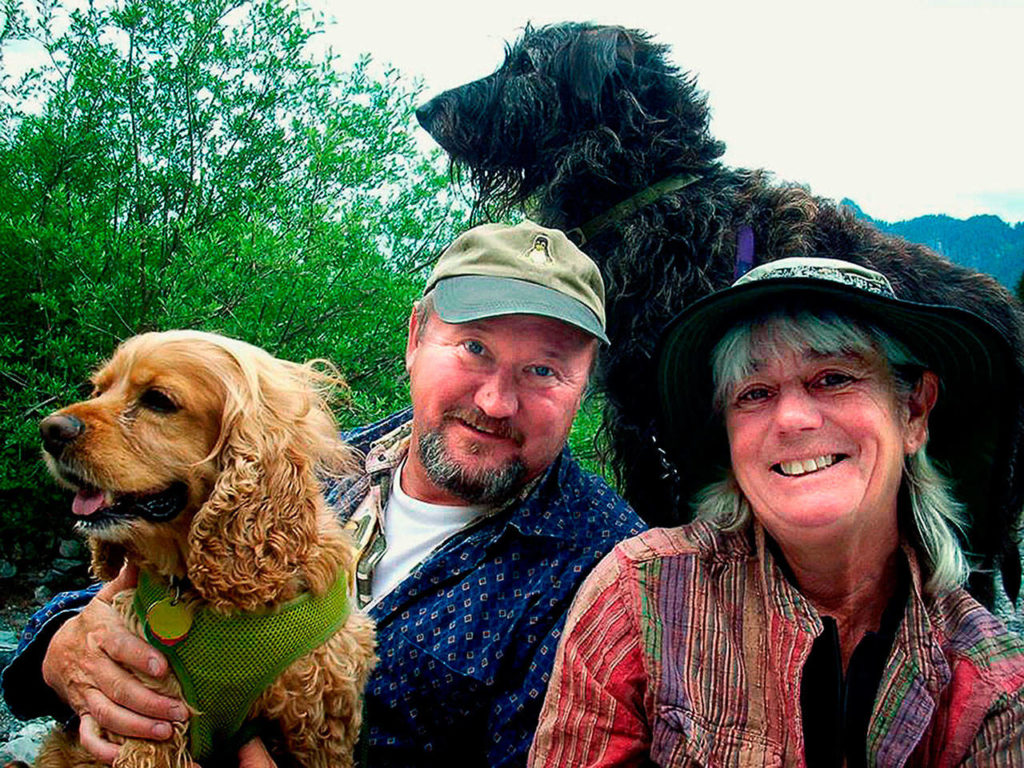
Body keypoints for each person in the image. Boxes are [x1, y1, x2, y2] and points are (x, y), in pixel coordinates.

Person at [2, 221, 645, 767]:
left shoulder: (609, 572)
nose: (495, 401)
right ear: (415, 337)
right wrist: (58, 651)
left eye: (544, 370)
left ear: (584, 385)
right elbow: (131, 593)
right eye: (473, 347)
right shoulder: (311, 457)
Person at [529, 257, 1024, 766]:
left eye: (833, 378)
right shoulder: (640, 597)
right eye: (755, 393)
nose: (791, 419)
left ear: (914, 412)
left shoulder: (992, 688)